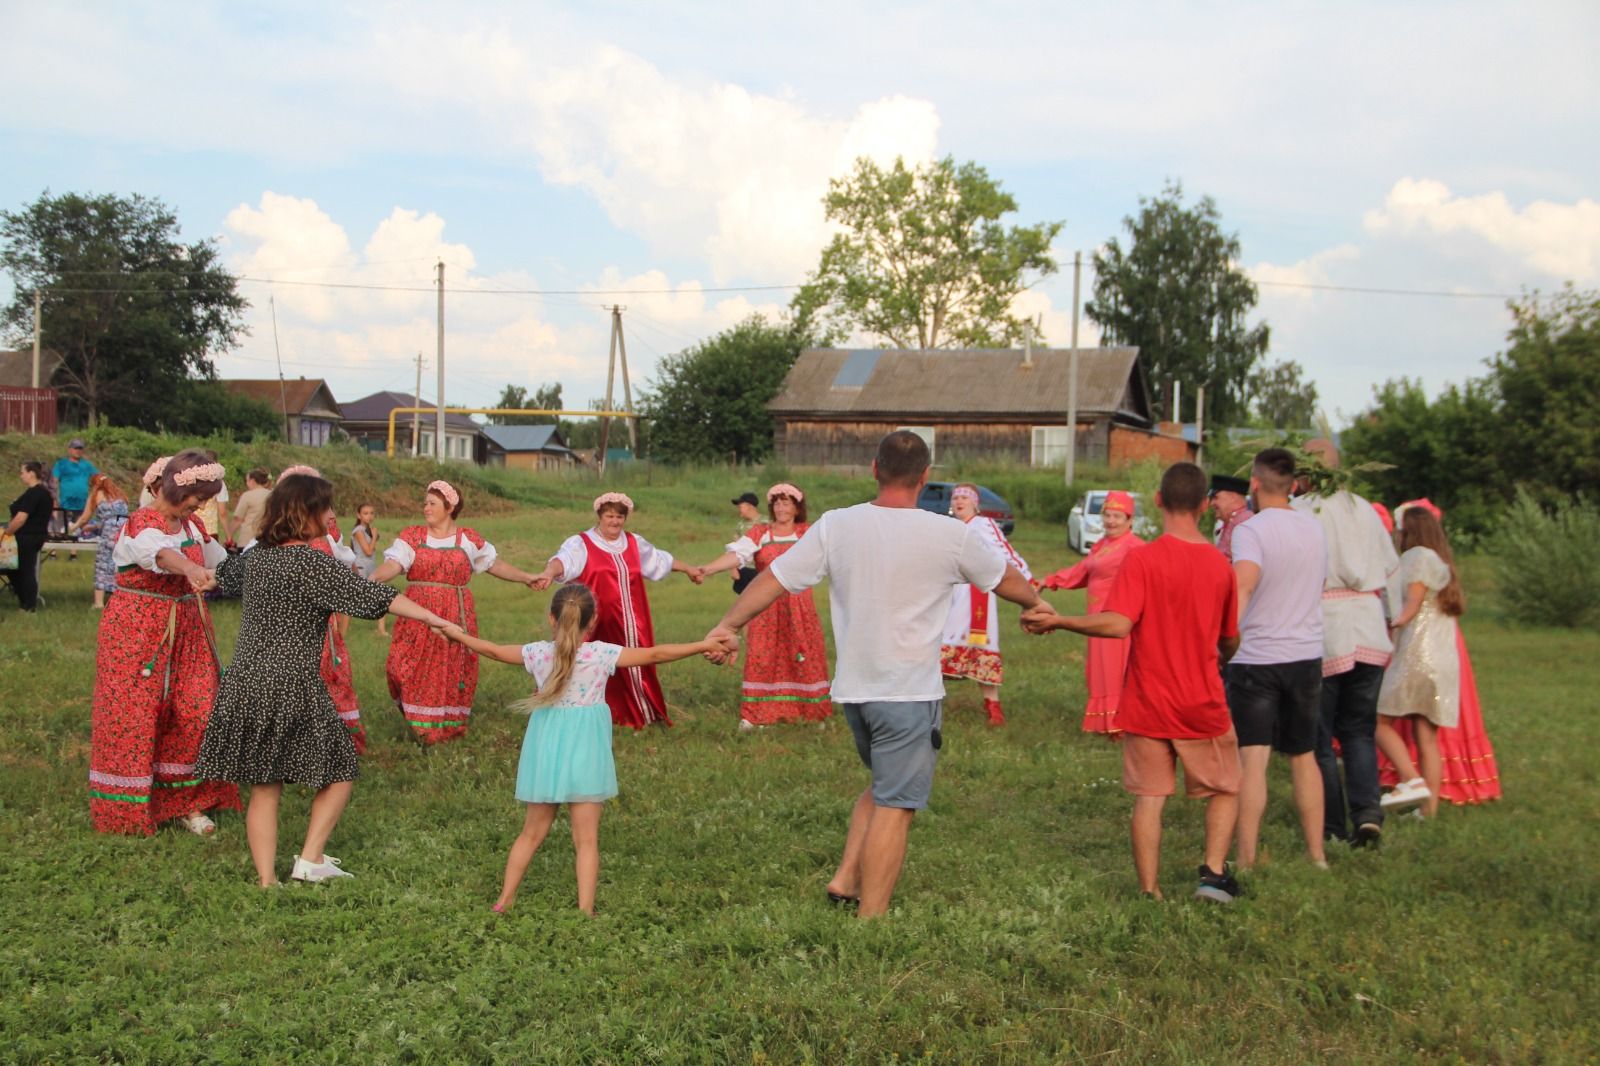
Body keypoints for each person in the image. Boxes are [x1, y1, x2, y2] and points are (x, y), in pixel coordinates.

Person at [705, 431, 1041, 918]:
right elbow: (1005, 579)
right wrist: (1037, 603)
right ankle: (872, 919)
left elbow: (774, 579)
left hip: (857, 694)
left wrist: (727, 624)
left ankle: (845, 879)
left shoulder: (837, 525)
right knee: (896, 804)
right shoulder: (950, 533)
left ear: (872, 468)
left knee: (883, 785)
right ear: (925, 479)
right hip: (907, 694)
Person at [195, 472, 451, 886]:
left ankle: (266, 882)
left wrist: (208, 575)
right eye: (326, 508)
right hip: (291, 683)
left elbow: (226, 575)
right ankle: (311, 860)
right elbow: (373, 597)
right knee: (341, 769)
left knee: (264, 786)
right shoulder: (312, 563)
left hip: (245, 681)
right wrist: (430, 615)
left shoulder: (258, 558)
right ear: (307, 513)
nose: (331, 515)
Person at [1023, 462, 1243, 903]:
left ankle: (1149, 889)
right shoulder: (1222, 567)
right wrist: (1222, 656)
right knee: (1226, 787)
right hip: (1202, 700)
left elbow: (1119, 624)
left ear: (1158, 501)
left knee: (1149, 796)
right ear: (1204, 505)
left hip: (1147, 699)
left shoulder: (1142, 557)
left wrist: (1062, 619)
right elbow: (1230, 639)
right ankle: (1214, 876)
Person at [441, 584, 726, 914]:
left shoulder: (537, 653)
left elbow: (490, 649)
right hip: (586, 751)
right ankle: (585, 911)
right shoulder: (601, 654)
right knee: (586, 839)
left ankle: (504, 901)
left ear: (552, 619)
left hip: (546, 748)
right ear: (593, 622)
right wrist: (704, 644)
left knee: (531, 833)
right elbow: (654, 654)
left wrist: (458, 635)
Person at [87, 449, 241, 835]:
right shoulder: (140, 523)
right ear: (173, 486)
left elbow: (222, 562)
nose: (202, 505)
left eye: (206, 498)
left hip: (189, 631)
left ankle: (187, 802)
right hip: (138, 635)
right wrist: (190, 568)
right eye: (199, 497)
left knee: (197, 710)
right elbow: (157, 553)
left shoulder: (193, 528)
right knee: (135, 716)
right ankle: (132, 807)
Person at [368, 480, 543, 744]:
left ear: (450, 507)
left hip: (456, 612)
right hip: (418, 612)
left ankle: (444, 728)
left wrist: (526, 577)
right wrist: (372, 579)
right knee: (402, 666)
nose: (425, 507)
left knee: (452, 668)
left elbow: (494, 565)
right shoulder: (412, 536)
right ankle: (420, 719)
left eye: (432, 503)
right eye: (425, 502)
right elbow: (394, 565)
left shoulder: (468, 539)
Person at [1294, 439, 1401, 847]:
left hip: (1325, 630)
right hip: (1369, 625)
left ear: (1305, 473)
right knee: (1359, 730)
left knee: (1318, 736)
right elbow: (1391, 571)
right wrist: (1390, 622)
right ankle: (1367, 812)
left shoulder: (1303, 512)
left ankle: (1331, 824)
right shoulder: (1364, 509)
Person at [1226, 448, 1330, 868]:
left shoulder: (1252, 530)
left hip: (1257, 656)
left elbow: (1245, 584)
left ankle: (1246, 859)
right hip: (1306, 655)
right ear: (1293, 485)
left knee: (1254, 758)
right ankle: (1317, 855)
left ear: (1253, 483)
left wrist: (1225, 638)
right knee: (1304, 756)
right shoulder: (1314, 527)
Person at [532, 493, 706, 730]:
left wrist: (688, 569)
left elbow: (660, 561)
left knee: (635, 661)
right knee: (584, 664)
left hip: (632, 621)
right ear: (599, 517)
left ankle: (638, 714)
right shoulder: (582, 543)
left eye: (619, 517)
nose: (614, 522)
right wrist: (549, 573)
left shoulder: (634, 543)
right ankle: (574, 713)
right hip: (592, 622)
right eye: (609, 516)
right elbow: (562, 561)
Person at [698, 483, 832, 730]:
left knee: (802, 654)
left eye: (786, 502)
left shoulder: (807, 532)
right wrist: (709, 568)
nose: (781, 508)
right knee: (763, 655)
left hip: (799, 605)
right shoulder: (761, 532)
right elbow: (737, 556)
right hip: (764, 605)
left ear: (796, 507)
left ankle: (812, 713)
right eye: (777, 503)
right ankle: (756, 714)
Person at [1374, 506, 1466, 820]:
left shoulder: (1416, 557)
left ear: (1409, 530)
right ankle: (1429, 811)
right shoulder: (1441, 561)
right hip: (1442, 659)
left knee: (1376, 720)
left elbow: (1412, 603)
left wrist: (1389, 623)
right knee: (1426, 736)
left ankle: (1410, 779)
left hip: (1416, 655)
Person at [1036, 489, 1142, 734]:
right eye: (1107, 515)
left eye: (1118, 516)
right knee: (1099, 669)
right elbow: (1083, 571)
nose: (1111, 521)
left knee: (1117, 668)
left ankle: (1121, 723)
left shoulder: (1135, 548)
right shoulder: (1102, 545)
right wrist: (1051, 580)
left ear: (1130, 521)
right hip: (1096, 618)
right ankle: (1105, 722)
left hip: (1117, 619)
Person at [936, 482, 1031, 727]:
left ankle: (993, 707)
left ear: (975, 503)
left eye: (965, 499)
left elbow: (1005, 552)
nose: (959, 502)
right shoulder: (949, 528)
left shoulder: (984, 525)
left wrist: (1027, 581)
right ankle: (930, 703)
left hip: (977, 595)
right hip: (951, 595)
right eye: (955, 498)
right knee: (941, 645)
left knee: (982, 645)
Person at [70, 473, 131, 610]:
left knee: (103, 564)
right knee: (119, 565)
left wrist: (73, 527)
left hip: (109, 532)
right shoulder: (120, 494)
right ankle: (119, 600)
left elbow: (85, 518)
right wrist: (94, 526)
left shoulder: (97, 494)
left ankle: (98, 602)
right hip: (125, 531)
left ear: (94, 485)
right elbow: (115, 517)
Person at [6, 461, 55, 612]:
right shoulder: (42, 493)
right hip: (33, 535)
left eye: (23, 472)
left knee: (25, 570)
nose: (21, 476)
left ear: (31, 473)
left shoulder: (35, 493)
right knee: (14, 569)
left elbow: (21, 517)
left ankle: (28, 605)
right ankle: (24, 601)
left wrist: (7, 532)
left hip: (28, 536)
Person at [51, 438, 98, 556]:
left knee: (77, 527)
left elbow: (97, 479)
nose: (78, 451)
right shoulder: (62, 464)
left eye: (80, 448)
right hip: (65, 501)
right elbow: (54, 481)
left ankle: (73, 553)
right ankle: (53, 550)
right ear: (70, 450)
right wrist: (54, 498)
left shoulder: (87, 465)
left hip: (82, 502)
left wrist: (94, 495)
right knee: (59, 525)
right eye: (76, 448)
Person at [351, 502, 386, 636]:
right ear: (359, 515)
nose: (369, 516)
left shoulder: (368, 530)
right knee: (351, 598)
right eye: (365, 513)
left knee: (381, 596)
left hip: (370, 567)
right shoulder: (358, 531)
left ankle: (381, 630)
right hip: (361, 567)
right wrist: (374, 537)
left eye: (371, 513)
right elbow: (368, 551)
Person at [1209, 474, 1253, 562]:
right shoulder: (1233, 521)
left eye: (1216, 498)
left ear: (1233, 497)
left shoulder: (1244, 523)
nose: (1212, 503)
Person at [730, 491, 762, 594]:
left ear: (750, 506)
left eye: (741, 506)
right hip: (744, 568)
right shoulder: (740, 526)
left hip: (761, 569)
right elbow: (735, 548)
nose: (739, 509)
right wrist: (733, 568)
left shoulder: (767, 522)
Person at [230, 469, 272, 547]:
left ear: (252, 481)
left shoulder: (247, 496)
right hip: (267, 539)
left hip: (248, 539)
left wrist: (229, 536)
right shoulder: (272, 495)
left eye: (247, 481)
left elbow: (238, 519)